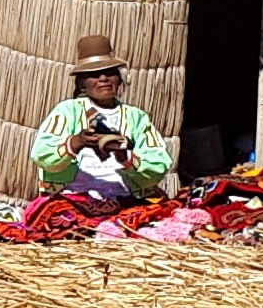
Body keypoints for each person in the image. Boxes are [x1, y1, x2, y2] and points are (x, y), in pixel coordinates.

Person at [30, 36, 173, 207]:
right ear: (83, 83)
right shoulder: (67, 111)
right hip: (72, 199)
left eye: (110, 73)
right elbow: (42, 155)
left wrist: (125, 156)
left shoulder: (136, 118)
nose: (103, 78)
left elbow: (158, 166)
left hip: (125, 199)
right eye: (94, 75)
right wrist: (77, 142)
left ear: (119, 80)